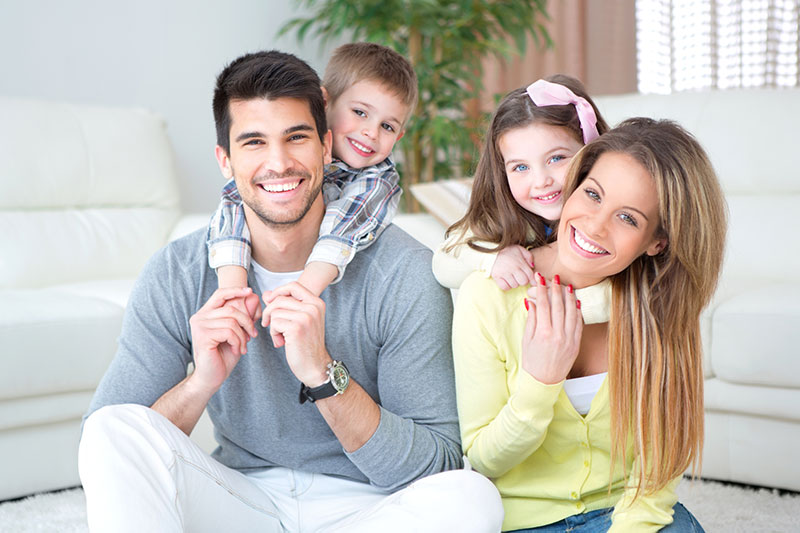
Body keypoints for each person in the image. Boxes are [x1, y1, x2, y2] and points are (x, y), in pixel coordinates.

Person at [78, 50, 503, 533]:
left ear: (325, 146)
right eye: (254, 142)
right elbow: (113, 449)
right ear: (225, 160)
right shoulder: (177, 272)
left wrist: (324, 376)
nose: (278, 163)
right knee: (110, 428)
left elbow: (436, 463)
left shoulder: (404, 272)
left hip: (369, 506)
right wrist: (201, 383)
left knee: (471, 498)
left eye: (296, 138)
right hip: (241, 499)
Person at [453, 118, 726, 531]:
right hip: (522, 521)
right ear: (573, 187)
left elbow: (657, 472)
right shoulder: (489, 296)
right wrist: (540, 383)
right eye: (592, 195)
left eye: (628, 218)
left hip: (625, 513)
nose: (595, 225)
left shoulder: (661, 308)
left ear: (658, 241)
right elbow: (484, 460)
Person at [208, 42, 415, 299]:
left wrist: (303, 292)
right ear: (325, 102)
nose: (371, 133)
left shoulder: (377, 179)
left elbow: (344, 229)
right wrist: (231, 291)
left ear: (399, 136)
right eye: (360, 112)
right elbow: (233, 200)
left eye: (387, 127)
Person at [432, 75, 609, 292]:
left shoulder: (611, 219)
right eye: (521, 168)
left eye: (556, 158)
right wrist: (492, 260)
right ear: (502, 173)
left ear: (590, 151)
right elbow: (442, 265)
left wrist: (574, 304)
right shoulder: (504, 218)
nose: (541, 181)